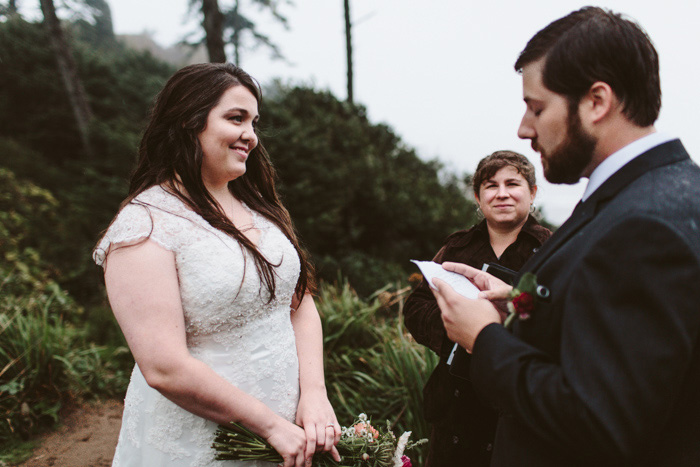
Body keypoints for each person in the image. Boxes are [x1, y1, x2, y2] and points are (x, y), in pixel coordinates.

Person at [431, 7, 700, 466]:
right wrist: (519, 304)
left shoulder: (646, 225)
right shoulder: (641, 193)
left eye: (537, 107)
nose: (524, 128)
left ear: (597, 102)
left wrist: (486, 340)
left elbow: (602, 419)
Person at [93, 63, 341, 467]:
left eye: (254, 122)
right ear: (189, 122)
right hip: (201, 442)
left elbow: (298, 301)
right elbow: (163, 367)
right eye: (236, 118)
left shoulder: (259, 207)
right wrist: (270, 427)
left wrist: (314, 394)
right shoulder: (145, 224)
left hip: (289, 429)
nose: (251, 135)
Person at [404, 150, 551, 466]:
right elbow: (415, 306)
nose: (502, 193)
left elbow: (564, 318)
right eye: (490, 185)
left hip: (518, 404)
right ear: (477, 196)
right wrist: (458, 329)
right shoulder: (457, 247)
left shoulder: (552, 249)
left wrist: (497, 329)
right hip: (455, 407)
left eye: (512, 183)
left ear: (532, 192)